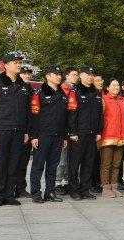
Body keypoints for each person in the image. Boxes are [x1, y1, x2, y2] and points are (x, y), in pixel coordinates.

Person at [0, 52, 31, 206]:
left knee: (14, 164)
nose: (19, 65)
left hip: (19, 131)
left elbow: (26, 111)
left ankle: (10, 195)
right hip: (2, 130)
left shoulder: (24, 86)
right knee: (1, 164)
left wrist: (26, 131)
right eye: (15, 62)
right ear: (6, 65)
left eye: (19, 62)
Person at [29, 65, 74, 203]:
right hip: (43, 136)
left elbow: (66, 117)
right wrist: (34, 136)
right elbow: (34, 116)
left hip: (58, 136)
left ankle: (50, 192)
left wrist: (65, 136)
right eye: (55, 74)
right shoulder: (39, 93)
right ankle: (36, 193)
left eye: (60, 74)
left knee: (53, 166)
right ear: (47, 76)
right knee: (38, 165)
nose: (59, 76)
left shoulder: (62, 94)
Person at [67, 66, 103, 200]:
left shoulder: (95, 93)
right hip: (78, 133)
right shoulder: (75, 91)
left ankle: (85, 189)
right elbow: (71, 113)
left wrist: (99, 131)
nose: (90, 77)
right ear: (80, 76)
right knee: (74, 163)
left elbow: (100, 114)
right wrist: (72, 132)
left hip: (92, 133)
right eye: (87, 74)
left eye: (91, 74)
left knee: (88, 163)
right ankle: (74, 190)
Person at [99, 79, 124, 197]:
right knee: (106, 164)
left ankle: (114, 187)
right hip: (107, 136)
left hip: (120, 137)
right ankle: (105, 188)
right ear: (108, 87)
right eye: (113, 85)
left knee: (116, 165)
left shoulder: (122, 100)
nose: (116, 87)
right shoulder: (104, 99)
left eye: (118, 85)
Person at [55, 67, 79, 195]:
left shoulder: (76, 90)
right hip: (63, 130)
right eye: (74, 75)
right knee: (62, 159)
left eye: (77, 75)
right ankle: (57, 183)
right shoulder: (63, 90)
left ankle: (65, 182)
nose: (76, 77)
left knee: (70, 159)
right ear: (67, 76)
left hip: (73, 129)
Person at [14, 65, 34, 198]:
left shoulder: (30, 89)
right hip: (15, 130)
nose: (27, 76)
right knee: (12, 161)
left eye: (29, 74)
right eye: (24, 73)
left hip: (28, 132)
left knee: (23, 162)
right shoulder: (14, 87)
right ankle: (9, 188)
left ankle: (21, 188)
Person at [91, 76, 104, 193]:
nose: (100, 82)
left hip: (103, 132)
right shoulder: (92, 93)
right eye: (97, 81)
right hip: (93, 132)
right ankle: (92, 182)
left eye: (101, 80)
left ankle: (98, 181)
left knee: (100, 159)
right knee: (92, 158)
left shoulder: (103, 94)